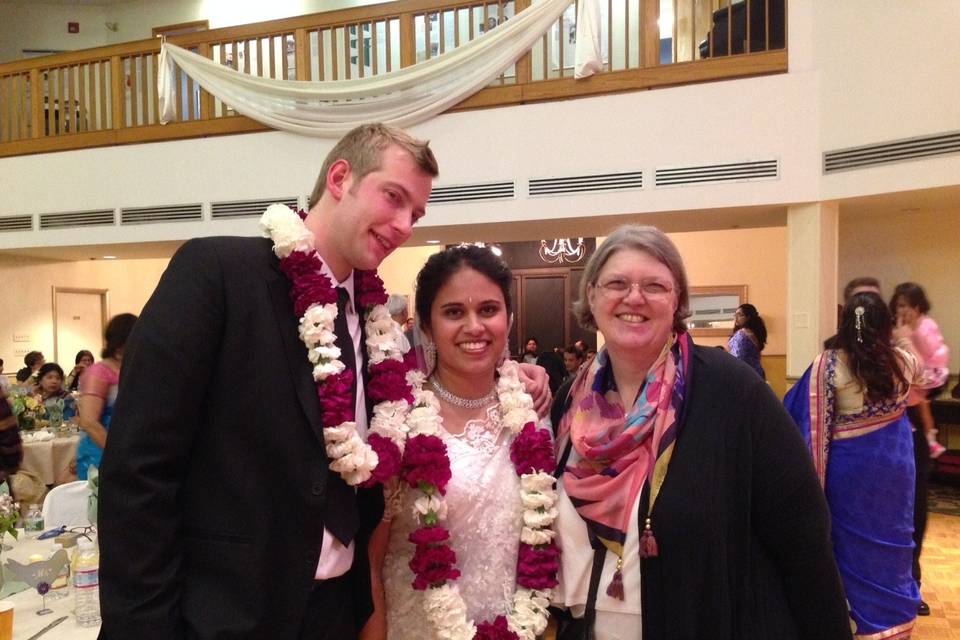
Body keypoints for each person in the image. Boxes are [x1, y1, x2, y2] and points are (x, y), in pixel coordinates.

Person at [97, 123, 549, 640]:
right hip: (223, 614)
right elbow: (138, 471)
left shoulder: (380, 331)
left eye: (416, 214)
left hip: (336, 614)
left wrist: (517, 376)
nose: (404, 225)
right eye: (393, 198)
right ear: (340, 177)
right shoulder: (219, 274)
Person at [550, 225, 850, 640]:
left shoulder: (733, 392)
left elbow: (803, 539)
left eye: (654, 285)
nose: (634, 297)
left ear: (677, 302)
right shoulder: (572, 401)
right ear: (593, 298)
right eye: (617, 283)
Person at [368, 245, 555, 640]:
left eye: (488, 309)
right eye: (454, 312)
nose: (474, 326)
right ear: (426, 326)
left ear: (509, 318)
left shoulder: (529, 411)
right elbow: (371, 559)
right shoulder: (397, 421)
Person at [785, 292, 922, 638]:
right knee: (892, 543)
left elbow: (802, 418)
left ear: (846, 323)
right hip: (895, 472)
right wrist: (901, 336)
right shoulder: (901, 363)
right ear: (883, 325)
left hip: (852, 477)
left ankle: (854, 620)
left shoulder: (827, 365)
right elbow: (921, 369)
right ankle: (893, 620)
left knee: (851, 546)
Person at [890, 281, 950, 617]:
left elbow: (936, 378)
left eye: (909, 305)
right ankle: (894, 582)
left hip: (913, 418)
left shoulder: (928, 331)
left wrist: (912, 360)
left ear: (920, 307)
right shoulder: (891, 334)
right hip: (891, 421)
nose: (904, 311)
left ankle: (913, 583)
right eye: (899, 305)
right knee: (892, 508)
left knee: (915, 508)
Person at [77, 313, 136, 480]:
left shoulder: (132, 366)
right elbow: (89, 422)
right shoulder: (100, 371)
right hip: (102, 450)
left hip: (129, 446)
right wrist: (119, 456)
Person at [727, 303, 767, 379]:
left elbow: (738, 356)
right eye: (735, 315)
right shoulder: (755, 332)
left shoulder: (742, 334)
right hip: (756, 373)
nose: (736, 318)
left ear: (748, 317)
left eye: (739, 315)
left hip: (745, 374)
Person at [34, 362, 76, 426]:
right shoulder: (33, 398)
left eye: (58, 378)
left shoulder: (67, 398)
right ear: (40, 380)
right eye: (49, 377)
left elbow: (67, 422)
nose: (54, 381)